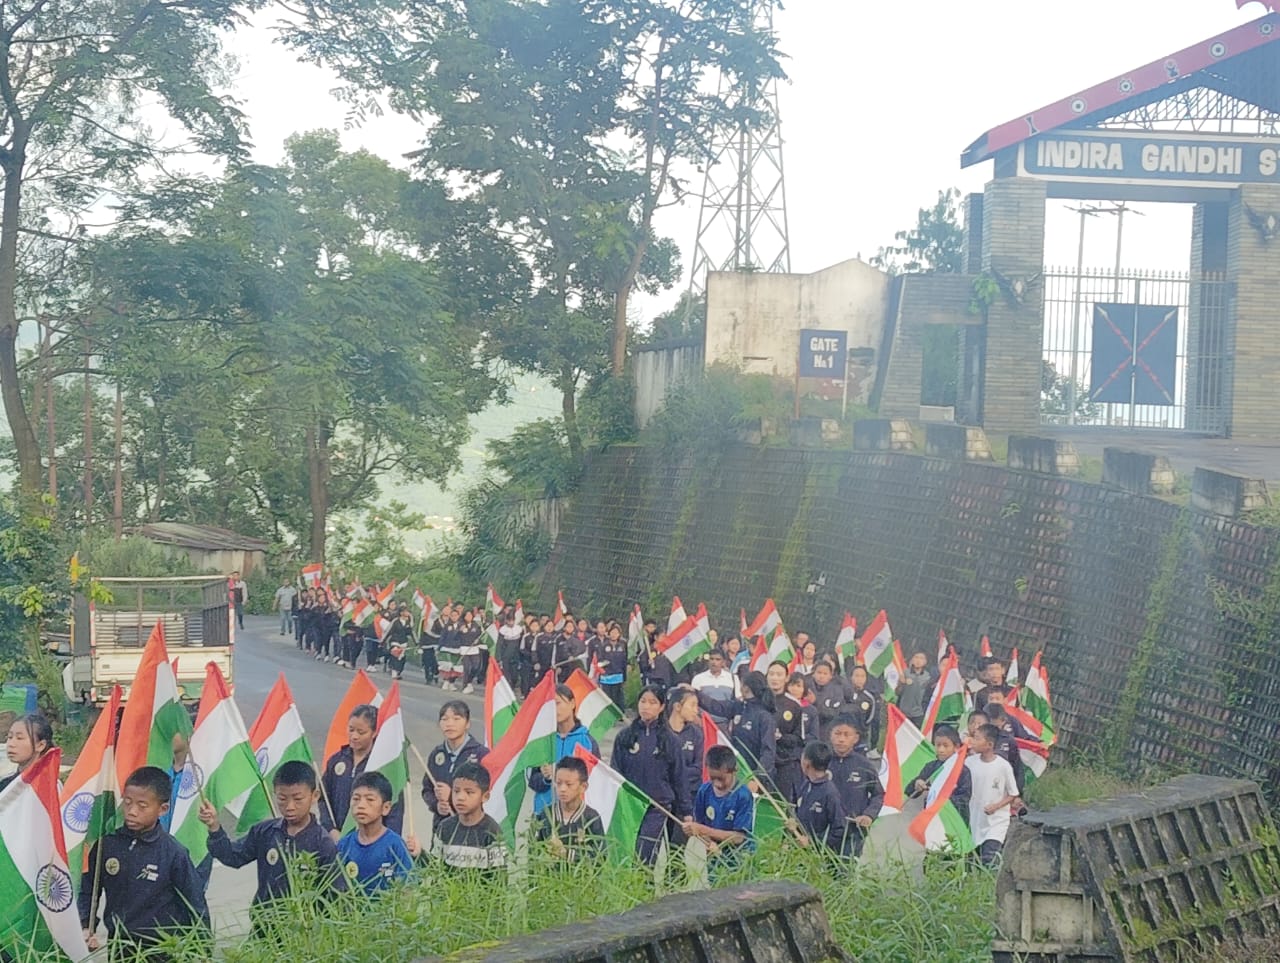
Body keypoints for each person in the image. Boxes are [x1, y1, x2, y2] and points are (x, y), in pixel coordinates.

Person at [80, 766, 209, 955]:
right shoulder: (106, 845)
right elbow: (89, 890)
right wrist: (85, 924)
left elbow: (196, 904)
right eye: (127, 802)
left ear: (163, 809)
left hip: (163, 949)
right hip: (120, 946)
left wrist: (203, 950)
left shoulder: (173, 852)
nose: (132, 811)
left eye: (142, 806)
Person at [202, 759, 346, 920]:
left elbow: (335, 896)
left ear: (314, 796)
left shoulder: (323, 843)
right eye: (282, 799)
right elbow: (232, 856)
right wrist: (214, 827)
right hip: (264, 928)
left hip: (304, 931)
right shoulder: (265, 832)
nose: (290, 806)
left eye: (298, 799)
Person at [610, 685, 690, 865]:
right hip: (630, 806)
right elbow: (615, 772)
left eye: (653, 702)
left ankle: (647, 891)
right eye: (643, 701)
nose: (646, 706)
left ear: (662, 707)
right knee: (625, 855)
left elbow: (679, 778)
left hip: (657, 807)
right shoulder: (624, 737)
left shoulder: (670, 740)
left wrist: (687, 811)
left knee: (644, 856)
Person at [321, 704, 404, 837]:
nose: (354, 736)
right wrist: (330, 829)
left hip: (371, 839)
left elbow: (395, 809)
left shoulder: (383, 765)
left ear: (374, 732)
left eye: (361, 732)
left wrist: (387, 840)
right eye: (351, 729)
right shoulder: (336, 760)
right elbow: (323, 797)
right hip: (336, 837)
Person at [336, 771, 419, 893]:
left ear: (386, 808)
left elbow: (408, 888)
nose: (361, 805)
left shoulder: (395, 845)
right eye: (356, 799)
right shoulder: (344, 845)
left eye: (370, 799)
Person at [684, 744, 754, 880]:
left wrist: (703, 830)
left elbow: (739, 837)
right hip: (715, 860)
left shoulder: (743, 795)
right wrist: (708, 842)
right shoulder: (704, 791)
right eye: (712, 778)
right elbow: (699, 827)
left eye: (721, 779)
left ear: (734, 771)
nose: (717, 783)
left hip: (739, 859)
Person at [527, 685, 599, 815]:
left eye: (558, 703)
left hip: (575, 816)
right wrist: (546, 778)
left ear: (572, 703)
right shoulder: (543, 741)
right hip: (544, 815)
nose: (555, 710)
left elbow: (593, 782)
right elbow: (533, 781)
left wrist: (560, 775)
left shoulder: (586, 741)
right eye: (550, 706)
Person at [430, 762, 506, 875]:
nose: (460, 797)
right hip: (449, 892)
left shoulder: (492, 831)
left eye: (469, 792)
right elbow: (434, 868)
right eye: (456, 791)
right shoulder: (444, 828)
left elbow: (499, 878)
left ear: (485, 797)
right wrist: (418, 853)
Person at [162, 732, 213, 894]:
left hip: (194, 847)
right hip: (162, 848)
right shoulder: (161, 771)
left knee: (192, 903)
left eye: (174, 732)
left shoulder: (202, 774)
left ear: (189, 735)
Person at [423, 700, 490, 823]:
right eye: (445, 719)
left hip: (472, 825)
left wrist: (452, 796)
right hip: (441, 824)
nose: (450, 724)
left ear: (467, 723)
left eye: (456, 719)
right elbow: (427, 789)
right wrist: (436, 805)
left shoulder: (481, 754)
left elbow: (487, 794)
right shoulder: (437, 754)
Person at [827, 716, 884, 858]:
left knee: (845, 870)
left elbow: (878, 794)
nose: (841, 739)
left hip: (853, 829)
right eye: (837, 734)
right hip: (825, 828)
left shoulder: (864, 765)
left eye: (847, 735)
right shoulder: (822, 761)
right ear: (830, 735)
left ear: (856, 738)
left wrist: (869, 815)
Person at [532, 756, 606, 864]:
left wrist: (566, 854)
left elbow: (600, 858)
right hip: (550, 878)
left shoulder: (591, 818)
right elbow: (533, 854)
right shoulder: (546, 815)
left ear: (583, 787)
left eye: (569, 784)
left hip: (579, 880)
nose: (562, 789)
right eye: (558, 783)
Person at [965, 723, 1020, 867]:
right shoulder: (969, 763)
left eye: (977, 739)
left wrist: (996, 806)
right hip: (975, 818)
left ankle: (991, 885)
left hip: (996, 821)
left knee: (989, 857)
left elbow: (1013, 793)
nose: (973, 742)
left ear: (989, 744)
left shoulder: (1003, 766)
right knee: (972, 859)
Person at [794, 741, 846, 857]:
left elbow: (839, 829)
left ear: (807, 763)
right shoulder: (806, 784)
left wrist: (813, 841)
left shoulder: (830, 793)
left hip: (818, 856)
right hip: (800, 851)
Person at [911, 724, 972, 820]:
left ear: (956, 746)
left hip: (953, 819)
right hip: (931, 817)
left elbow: (964, 799)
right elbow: (910, 791)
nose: (941, 750)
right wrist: (917, 783)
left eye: (945, 746)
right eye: (938, 745)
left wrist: (942, 798)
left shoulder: (963, 771)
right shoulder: (931, 767)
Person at [771, 662, 809, 803]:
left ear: (786, 678)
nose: (775, 678)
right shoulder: (758, 701)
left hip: (783, 763)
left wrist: (781, 738)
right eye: (772, 674)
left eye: (779, 674)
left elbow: (799, 739)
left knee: (782, 804)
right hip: (759, 763)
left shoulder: (793, 705)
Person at [666, 686, 705, 808]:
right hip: (665, 795)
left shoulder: (696, 733)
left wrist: (676, 775)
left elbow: (698, 767)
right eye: (692, 705)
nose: (696, 710)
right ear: (677, 706)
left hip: (689, 795)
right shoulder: (661, 732)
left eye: (697, 706)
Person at [2, 712, 53, 794]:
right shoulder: (5, 785)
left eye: (19, 738)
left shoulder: (51, 788)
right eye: (10, 737)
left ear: (41, 745)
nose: (11, 744)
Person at [691, 650, 740, 726]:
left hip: (725, 724)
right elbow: (693, 702)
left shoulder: (733, 678)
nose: (714, 662)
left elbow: (737, 702)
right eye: (712, 659)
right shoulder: (698, 678)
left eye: (717, 659)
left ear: (723, 662)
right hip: (704, 723)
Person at [810, 659, 853, 740]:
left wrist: (815, 703)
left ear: (831, 676)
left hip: (829, 733)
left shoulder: (836, 691)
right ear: (813, 674)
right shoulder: (807, 688)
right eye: (819, 672)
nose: (821, 676)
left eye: (825, 673)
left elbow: (833, 713)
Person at [591, 622, 629, 710]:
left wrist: (625, 676)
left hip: (618, 675)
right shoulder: (604, 646)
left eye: (616, 633)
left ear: (619, 634)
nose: (614, 635)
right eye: (612, 632)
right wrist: (604, 664)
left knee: (618, 696)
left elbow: (624, 661)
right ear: (608, 633)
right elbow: (599, 660)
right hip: (606, 676)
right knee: (607, 697)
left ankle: (620, 714)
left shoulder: (622, 645)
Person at [896, 651, 936, 730]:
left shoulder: (928, 677)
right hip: (903, 712)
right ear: (912, 660)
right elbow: (897, 692)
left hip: (918, 714)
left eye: (921, 658)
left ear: (925, 662)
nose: (918, 660)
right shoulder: (905, 673)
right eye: (916, 657)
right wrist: (901, 683)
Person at [848, 665, 880, 748]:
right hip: (845, 733)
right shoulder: (845, 693)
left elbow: (870, 717)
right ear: (851, 677)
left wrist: (862, 726)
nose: (859, 679)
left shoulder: (869, 697)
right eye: (857, 675)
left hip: (861, 734)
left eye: (862, 676)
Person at [457, 609, 484, 693]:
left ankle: (469, 680)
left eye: (470, 615)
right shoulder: (460, 624)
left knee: (476, 666)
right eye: (467, 615)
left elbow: (481, 636)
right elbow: (457, 635)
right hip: (464, 648)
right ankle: (465, 685)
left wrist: (478, 641)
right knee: (467, 667)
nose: (468, 617)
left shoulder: (476, 625)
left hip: (474, 649)